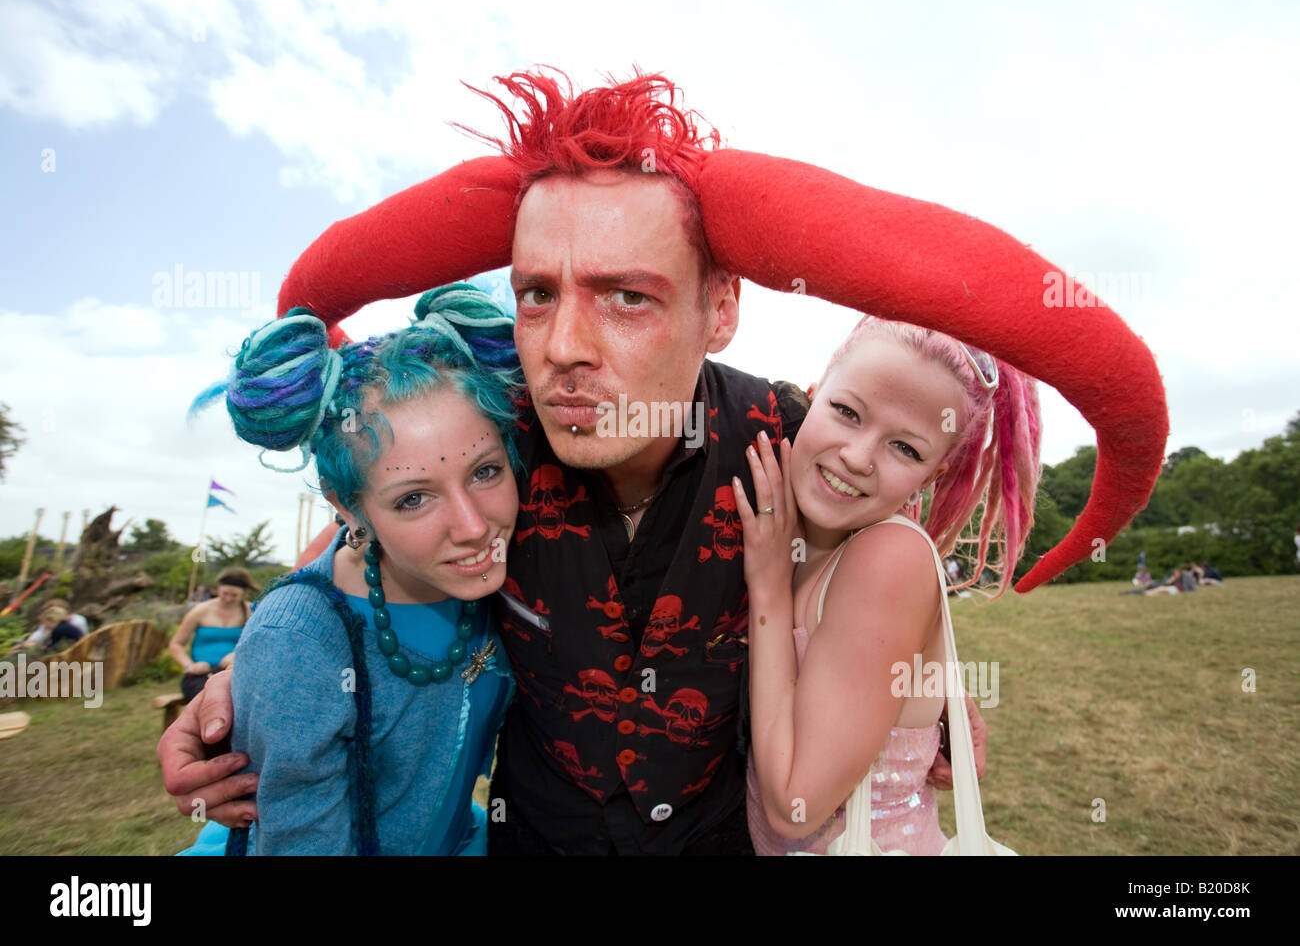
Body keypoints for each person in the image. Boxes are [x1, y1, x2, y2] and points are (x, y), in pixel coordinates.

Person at [158, 69, 1167, 855]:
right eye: (539, 292)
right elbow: (380, 527)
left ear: (719, 306)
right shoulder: (493, 441)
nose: (562, 346)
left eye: (626, 296)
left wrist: (935, 697)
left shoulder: (799, 439)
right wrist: (242, 679)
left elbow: (883, 560)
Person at [180, 283, 521, 855]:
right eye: (413, 499)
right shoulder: (299, 641)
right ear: (346, 506)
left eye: (485, 472)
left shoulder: (504, 571)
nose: (472, 527)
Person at [738, 316, 1039, 854]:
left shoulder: (888, 555)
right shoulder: (797, 526)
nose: (857, 456)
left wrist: (766, 589)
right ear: (813, 395)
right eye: (846, 412)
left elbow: (793, 805)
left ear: (934, 474)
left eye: (906, 449)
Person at [168, 569, 256, 703]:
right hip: (202, 675)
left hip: (235, 673)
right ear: (217, 589)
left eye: (234, 595)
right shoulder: (200, 610)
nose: (228, 599)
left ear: (243, 593)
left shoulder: (251, 611)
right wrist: (190, 666)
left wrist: (238, 654)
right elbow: (176, 644)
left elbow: (260, 644)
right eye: (224, 593)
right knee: (213, 701)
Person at [10, 601, 87, 653]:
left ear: (51, 620)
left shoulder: (59, 629)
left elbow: (50, 647)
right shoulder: (65, 626)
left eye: (45, 623)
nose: (45, 625)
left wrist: (40, 648)